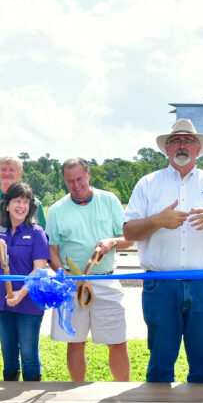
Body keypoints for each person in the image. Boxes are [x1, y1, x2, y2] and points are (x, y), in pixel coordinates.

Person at [123, 119, 203, 383]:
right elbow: (129, 232)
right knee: (160, 364)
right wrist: (157, 221)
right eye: (176, 140)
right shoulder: (148, 184)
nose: (182, 145)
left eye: (188, 141)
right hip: (160, 284)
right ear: (166, 149)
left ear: (198, 149)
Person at [46, 158, 132, 381]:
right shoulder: (57, 209)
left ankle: (122, 391)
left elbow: (128, 239)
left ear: (89, 175)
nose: (76, 185)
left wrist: (112, 242)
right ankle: (77, 390)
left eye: (80, 179)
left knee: (117, 342)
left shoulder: (110, 200)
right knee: (75, 343)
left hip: (105, 280)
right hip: (72, 284)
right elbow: (51, 250)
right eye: (70, 181)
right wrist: (63, 275)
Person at [0, 156, 48, 381]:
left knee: (28, 353)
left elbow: (39, 270)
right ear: (7, 204)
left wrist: (20, 293)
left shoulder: (36, 232)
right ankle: (8, 396)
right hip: (3, 301)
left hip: (27, 301)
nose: (21, 206)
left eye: (25, 202)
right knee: (9, 355)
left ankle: (31, 391)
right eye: (16, 201)